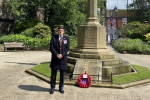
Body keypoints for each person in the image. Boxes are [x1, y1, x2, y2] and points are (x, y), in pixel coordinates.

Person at [49, 26, 70, 94]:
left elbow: (67, 48)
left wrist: (62, 55)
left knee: (62, 75)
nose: (60, 31)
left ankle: (61, 88)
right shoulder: (53, 37)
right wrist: (57, 54)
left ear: (64, 31)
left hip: (63, 59)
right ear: (57, 31)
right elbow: (51, 47)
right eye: (59, 30)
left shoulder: (66, 38)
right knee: (53, 75)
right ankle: (52, 88)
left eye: (62, 30)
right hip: (55, 59)